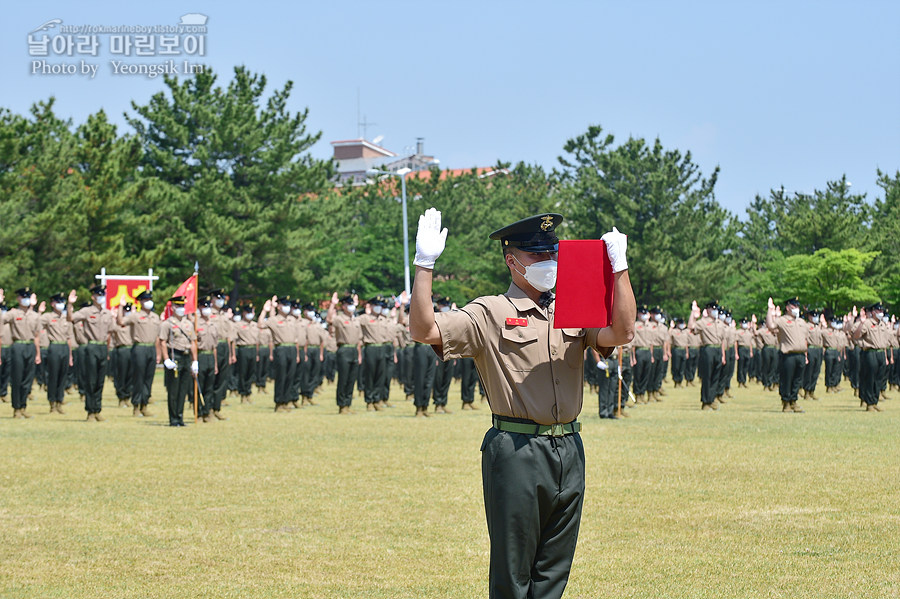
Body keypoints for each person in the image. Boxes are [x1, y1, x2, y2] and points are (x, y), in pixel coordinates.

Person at [408, 208, 635, 599]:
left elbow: (622, 331)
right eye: (536, 254)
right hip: (516, 449)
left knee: (553, 571)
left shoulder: (572, 306)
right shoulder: (490, 312)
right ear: (512, 261)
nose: (548, 261)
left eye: (552, 253)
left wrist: (619, 269)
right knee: (513, 574)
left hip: (569, 447)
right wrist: (425, 264)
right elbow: (424, 329)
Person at [67, 285, 114, 421]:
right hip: (91, 346)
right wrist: (70, 304)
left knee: (100, 381)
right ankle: (90, 411)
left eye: (102, 295)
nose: (100, 297)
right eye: (98, 295)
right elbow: (70, 318)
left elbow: (110, 333)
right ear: (93, 297)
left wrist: (108, 350)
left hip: (102, 347)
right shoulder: (87, 311)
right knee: (91, 380)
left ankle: (97, 409)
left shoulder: (107, 313)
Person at [0, 288, 42, 418]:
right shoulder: (13, 313)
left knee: (27, 379)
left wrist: (38, 353)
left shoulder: (35, 316)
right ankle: (16, 408)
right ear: (18, 299)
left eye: (27, 297)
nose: (25, 299)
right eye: (22, 297)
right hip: (17, 346)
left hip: (30, 346)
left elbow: (36, 336)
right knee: (17, 378)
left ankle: (23, 406)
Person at [118, 290, 161, 417]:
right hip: (139, 348)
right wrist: (121, 306)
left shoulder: (155, 317)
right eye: (146, 300)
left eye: (150, 299)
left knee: (148, 379)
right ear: (141, 302)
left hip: (151, 348)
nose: (148, 302)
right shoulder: (135, 316)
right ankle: (136, 406)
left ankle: (144, 405)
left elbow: (158, 337)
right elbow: (121, 322)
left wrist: (158, 354)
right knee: (138, 378)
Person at [158, 296, 198, 426]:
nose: (181, 309)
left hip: (186, 357)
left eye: (183, 306)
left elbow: (192, 342)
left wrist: (194, 361)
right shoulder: (167, 324)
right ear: (173, 307)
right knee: (173, 389)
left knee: (183, 389)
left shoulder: (188, 324)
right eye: (178, 306)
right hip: (175, 356)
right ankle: (173, 418)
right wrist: (166, 359)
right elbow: (163, 342)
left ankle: (180, 417)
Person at [765, 297, 808, 413]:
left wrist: (806, 355)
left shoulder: (802, 322)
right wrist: (770, 310)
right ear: (788, 307)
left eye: (798, 306)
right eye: (794, 306)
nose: (797, 308)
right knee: (786, 379)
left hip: (801, 355)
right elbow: (770, 326)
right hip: (788, 355)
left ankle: (794, 401)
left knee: (797, 380)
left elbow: (805, 339)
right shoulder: (782, 320)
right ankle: (786, 402)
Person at [326, 293, 362, 415]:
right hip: (343, 349)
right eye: (349, 304)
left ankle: (348, 403)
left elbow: (359, 339)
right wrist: (332, 304)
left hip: (354, 350)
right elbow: (329, 319)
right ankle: (342, 405)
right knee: (343, 378)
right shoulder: (340, 319)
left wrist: (359, 354)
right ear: (344, 306)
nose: (352, 307)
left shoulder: (356, 320)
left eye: (353, 304)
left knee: (352, 379)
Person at [687, 300, 726, 411]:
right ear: (708, 310)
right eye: (712, 309)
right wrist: (693, 314)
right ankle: (705, 402)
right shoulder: (703, 322)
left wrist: (723, 355)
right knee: (707, 376)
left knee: (715, 377)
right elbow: (691, 327)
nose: (715, 311)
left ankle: (712, 399)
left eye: (716, 309)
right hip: (707, 350)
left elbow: (722, 340)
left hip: (718, 349)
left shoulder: (720, 323)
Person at [40, 292, 74, 414]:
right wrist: (39, 311)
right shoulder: (48, 316)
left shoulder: (66, 318)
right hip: (54, 347)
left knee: (62, 376)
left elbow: (69, 337)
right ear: (52, 304)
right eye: (58, 301)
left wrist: (70, 355)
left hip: (64, 347)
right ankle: (52, 403)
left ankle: (60, 401)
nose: (61, 304)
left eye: (62, 301)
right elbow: (36, 324)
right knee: (53, 376)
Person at [195, 296, 220, 422]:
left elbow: (215, 346)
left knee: (209, 387)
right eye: (204, 306)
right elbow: (193, 343)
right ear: (199, 308)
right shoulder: (196, 323)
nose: (207, 309)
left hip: (210, 355)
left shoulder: (213, 324)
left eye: (208, 306)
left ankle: (207, 412)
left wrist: (215, 364)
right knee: (200, 385)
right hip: (200, 355)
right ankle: (198, 413)